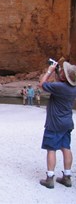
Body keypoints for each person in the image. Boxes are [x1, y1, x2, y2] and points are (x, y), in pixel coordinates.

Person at [39, 60, 76, 189]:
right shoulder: (72, 88)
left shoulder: (60, 87)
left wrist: (49, 70)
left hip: (55, 123)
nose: (61, 71)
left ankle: (49, 178)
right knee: (66, 147)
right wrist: (57, 72)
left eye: (63, 72)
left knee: (51, 149)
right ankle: (67, 177)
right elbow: (58, 84)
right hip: (67, 122)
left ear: (65, 77)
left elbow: (42, 84)